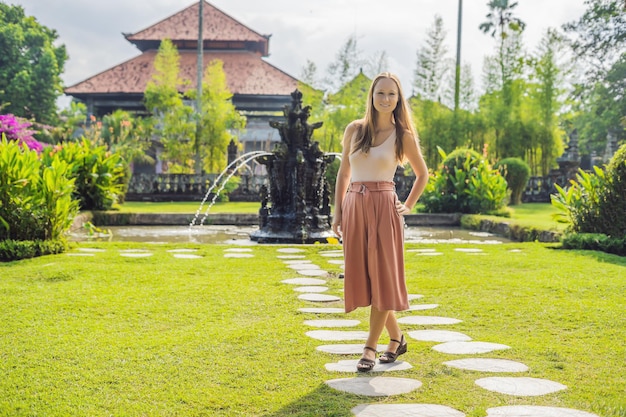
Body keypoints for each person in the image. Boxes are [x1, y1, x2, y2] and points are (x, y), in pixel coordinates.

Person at [332, 72, 429, 372]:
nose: (385, 99)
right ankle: (397, 338)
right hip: (355, 205)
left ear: (398, 100)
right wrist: (338, 212)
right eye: (380, 93)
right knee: (366, 278)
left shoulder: (404, 136)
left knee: (383, 278)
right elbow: (343, 174)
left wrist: (408, 205)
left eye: (391, 94)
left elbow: (422, 174)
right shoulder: (354, 130)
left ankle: (369, 347)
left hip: (385, 207)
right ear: (371, 97)